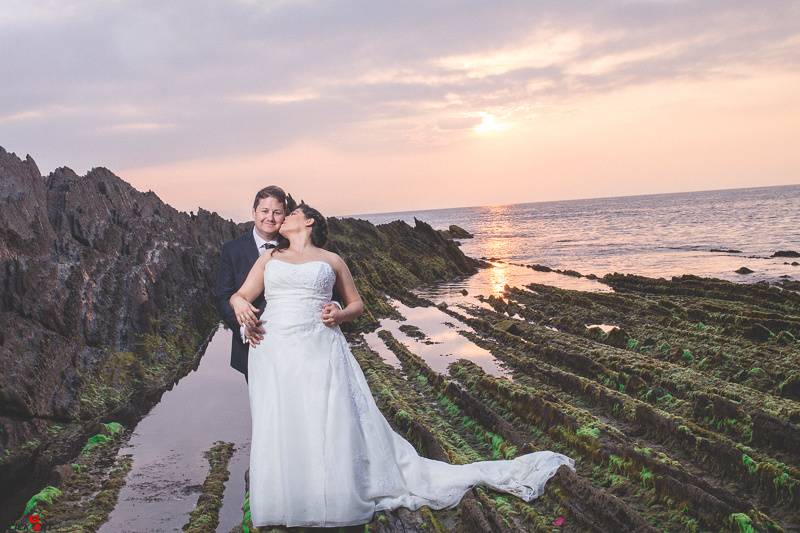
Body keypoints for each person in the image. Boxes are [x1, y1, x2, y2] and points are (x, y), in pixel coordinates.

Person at [229, 202, 576, 528]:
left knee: (326, 415)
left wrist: (338, 313)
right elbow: (241, 295)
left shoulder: (331, 259)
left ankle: (332, 493)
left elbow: (357, 305)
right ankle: (288, 495)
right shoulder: (269, 259)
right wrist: (240, 307)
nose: (283, 217)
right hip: (274, 346)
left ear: (309, 222)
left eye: (292, 213)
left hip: (319, 343)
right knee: (284, 416)